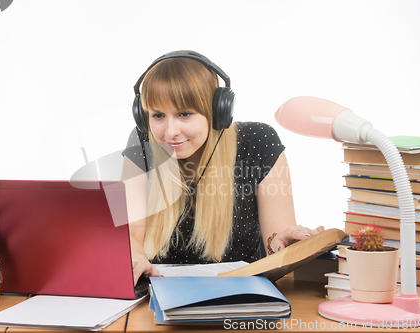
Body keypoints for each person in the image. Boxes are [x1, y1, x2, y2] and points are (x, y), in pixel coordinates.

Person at [121, 51, 324, 284]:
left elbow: (275, 244)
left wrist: (282, 244)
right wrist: (134, 255)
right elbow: (130, 233)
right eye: (158, 115)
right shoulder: (142, 141)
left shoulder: (259, 141)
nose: (170, 132)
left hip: (243, 295)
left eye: (185, 114)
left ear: (217, 111)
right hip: (158, 298)